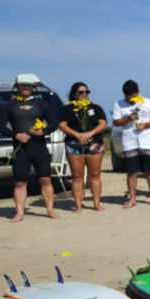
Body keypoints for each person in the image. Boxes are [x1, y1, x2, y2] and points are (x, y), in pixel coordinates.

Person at [0, 73, 59, 222]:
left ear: (33, 87)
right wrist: (16, 134)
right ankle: (19, 213)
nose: (26, 87)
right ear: (16, 86)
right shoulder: (8, 106)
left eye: (29, 85)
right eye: (23, 85)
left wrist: (44, 131)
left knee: (45, 180)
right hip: (21, 149)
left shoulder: (42, 104)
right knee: (20, 182)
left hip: (39, 148)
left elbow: (54, 122)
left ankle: (50, 210)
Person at [57, 81, 107, 212]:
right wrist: (78, 135)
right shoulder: (67, 109)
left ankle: (96, 203)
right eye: (81, 92)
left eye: (86, 92)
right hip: (74, 144)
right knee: (77, 176)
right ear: (74, 94)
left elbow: (102, 124)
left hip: (94, 143)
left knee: (95, 175)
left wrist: (89, 133)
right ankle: (78, 205)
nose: (84, 94)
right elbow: (62, 125)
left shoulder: (95, 108)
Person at [111, 80, 150, 208]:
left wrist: (146, 125)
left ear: (137, 92)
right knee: (132, 172)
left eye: (131, 96)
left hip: (147, 141)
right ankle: (132, 199)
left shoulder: (148, 103)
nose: (128, 99)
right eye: (126, 96)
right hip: (129, 142)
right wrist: (128, 119)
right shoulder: (119, 104)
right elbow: (116, 122)